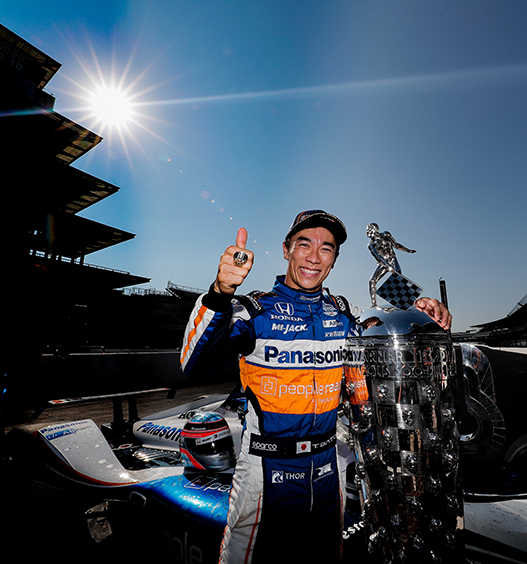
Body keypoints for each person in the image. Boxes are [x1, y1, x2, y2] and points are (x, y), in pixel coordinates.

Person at [180, 210, 451, 564]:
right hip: (266, 471)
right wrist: (219, 293)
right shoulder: (254, 310)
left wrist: (424, 311)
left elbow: (388, 330)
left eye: (326, 248)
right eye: (304, 244)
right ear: (286, 250)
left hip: (329, 469)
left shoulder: (345, 314)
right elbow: (194, 366)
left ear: (334, 260)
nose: (313, 256)